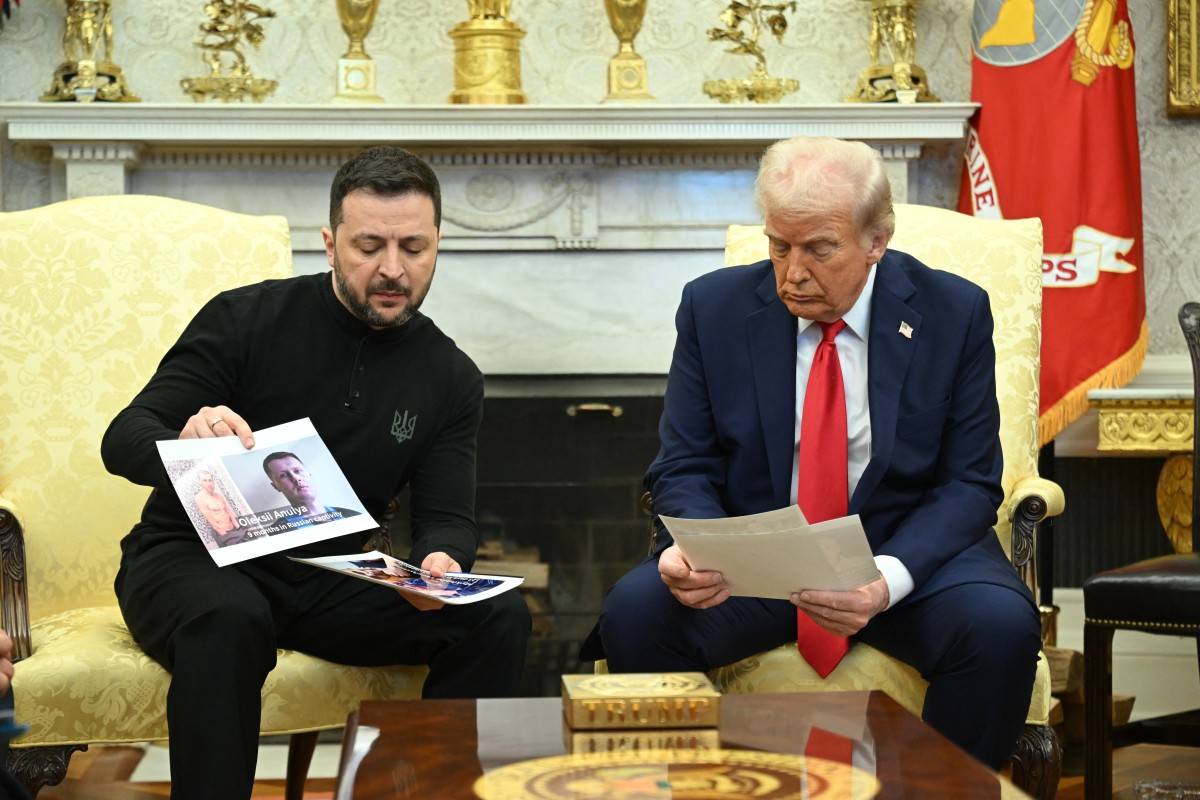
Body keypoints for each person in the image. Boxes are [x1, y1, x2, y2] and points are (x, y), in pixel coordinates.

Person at [583, 136, 1042, 770]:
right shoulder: (712, 308)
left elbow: (969, 484)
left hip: (904, 557)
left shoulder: (952, 312)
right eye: (779, 246)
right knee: (636, 613)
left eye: (819, 249)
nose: (792, 273)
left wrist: (886, 580)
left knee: (999, 627)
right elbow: (683, 463)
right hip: (760, 562)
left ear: (875, 240)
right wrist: (703, 547)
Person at [101, 145, 531, 800]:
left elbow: (446, 516)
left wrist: (442, 561)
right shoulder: (245, 318)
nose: (393, 268)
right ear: (329, 244)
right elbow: (121, 440)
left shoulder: (450, 375)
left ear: (438, 242)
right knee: (230, 618)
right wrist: (184, 439)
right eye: (369, 246)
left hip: (326, 574)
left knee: (496, 617)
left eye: (413, 247)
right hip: (192, 560)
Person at [260, 451, 359, 527]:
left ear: (309, 473)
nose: (295, 478)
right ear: (276, 486)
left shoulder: (352, 516)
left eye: (297, 471)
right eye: (283, 475)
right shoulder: (275, 534)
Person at [192, 469, 243, 545]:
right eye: (205, 480)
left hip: (234, 529)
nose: (208, 483)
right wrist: (224, 534)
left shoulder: (218, 495)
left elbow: (228, 511)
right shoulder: (199, 498)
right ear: (200, 482)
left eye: (210, 480)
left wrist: (238, 527)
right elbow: (211, 520)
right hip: (223, 533)